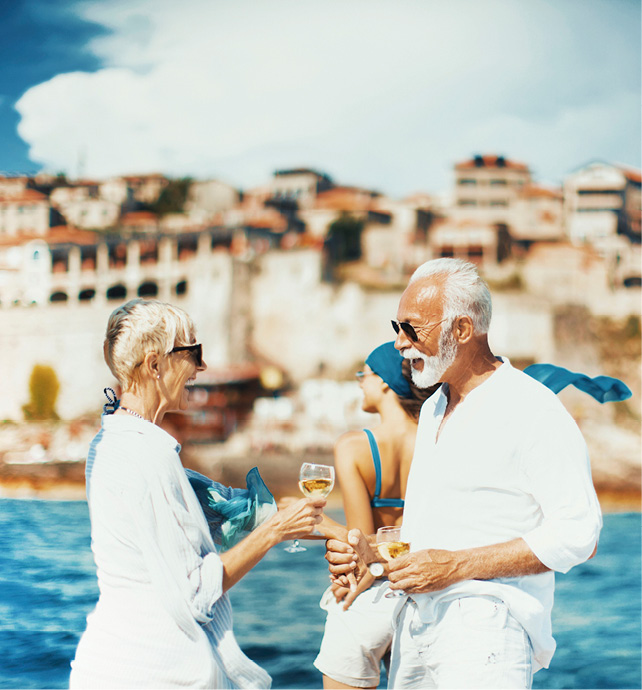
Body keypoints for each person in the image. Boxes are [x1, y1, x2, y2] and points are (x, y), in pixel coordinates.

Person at [326, 258, 602, 689]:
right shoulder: (435, 406)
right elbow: (442, 530)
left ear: (462, 330)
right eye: (396, 326)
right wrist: (373, 559)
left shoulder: (531, 409)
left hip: (486, 632)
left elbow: (579, 534)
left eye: (412, 328)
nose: (400, 343)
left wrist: (455, 566)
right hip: (416, 626)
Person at [70, 298, 325, 689]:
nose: (201, 367)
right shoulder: (149, 455)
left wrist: (350, 539)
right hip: (155, 672)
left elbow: (234, 510)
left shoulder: (111, 442)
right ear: (155, 365)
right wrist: (274, 533)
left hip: (111, 663)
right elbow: (196, 591)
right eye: (192, 352)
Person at [314, 342, 436, 689]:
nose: (359, 382)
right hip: (421, 593)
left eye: (363, 374)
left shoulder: (354, 446)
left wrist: (317, 524)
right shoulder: (436, 440)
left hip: (370, 596)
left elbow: (362, 544)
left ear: (384, 381)